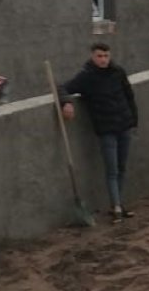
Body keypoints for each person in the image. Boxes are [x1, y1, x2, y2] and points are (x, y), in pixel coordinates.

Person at [57, 42, 139, 223]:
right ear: (93, 57)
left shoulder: (118, 72)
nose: (103, 60)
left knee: (121, 167)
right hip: (106, 129)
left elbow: (129, 95)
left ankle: (118, 204)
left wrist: (133, 120)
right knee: (112, 169)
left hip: (124, 125)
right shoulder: (86, 77)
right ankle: (116, 206)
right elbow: (62, 87)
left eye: (106, 56)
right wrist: (66, 102)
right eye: (99, 56)